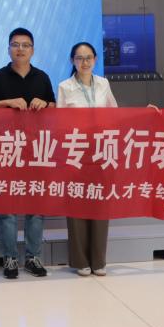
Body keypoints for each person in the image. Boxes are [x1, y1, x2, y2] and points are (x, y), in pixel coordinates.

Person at [0, 27, 55, 280]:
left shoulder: (42, 77)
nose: (20, 49)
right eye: (15, 44)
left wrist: (46, 103)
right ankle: (10, 258)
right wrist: (7, 102)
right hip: (6, 149)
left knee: (35, 206)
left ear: (32, 50)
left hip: (36, 149)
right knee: (8, 208)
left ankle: (33, 257)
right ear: (8, 48)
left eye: (25, 45)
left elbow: (55, 106)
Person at [56, 41, 118, 277]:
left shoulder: (103, 83)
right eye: (79, 58)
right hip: (76, 152)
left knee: (100, 204)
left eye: (88, 57)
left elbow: (115, 112)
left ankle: (99, 260)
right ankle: (81, 260)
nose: (84, 62)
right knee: (77, 204)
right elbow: (60, 122)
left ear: (95, 60)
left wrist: (145, 114)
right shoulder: (65, 87)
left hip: (101, 150)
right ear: (72, 61)